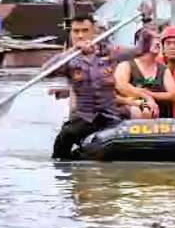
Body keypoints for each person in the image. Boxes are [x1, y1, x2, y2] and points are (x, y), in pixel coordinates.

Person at [50, 14, 142, 160]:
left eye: (85, 30)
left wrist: (147, 24)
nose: (80, 35)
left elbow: (139, 50)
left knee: (136, 114)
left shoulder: (110, 53)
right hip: (83, 117)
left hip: (110, 114)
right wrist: (72, 51)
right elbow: (46, 71)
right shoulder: (68, 59)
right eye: (76, 31)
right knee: (65, 135)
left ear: (93, 31)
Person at [113, 32, 175, 118]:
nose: (158, 43)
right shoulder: (126, 65)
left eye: (159, 41)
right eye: (153, 40)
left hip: (161, 120)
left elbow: (174, 95)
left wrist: (150, 95)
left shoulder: (163, 69)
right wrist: (145, 97)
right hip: (132, 118)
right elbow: (121, 86)